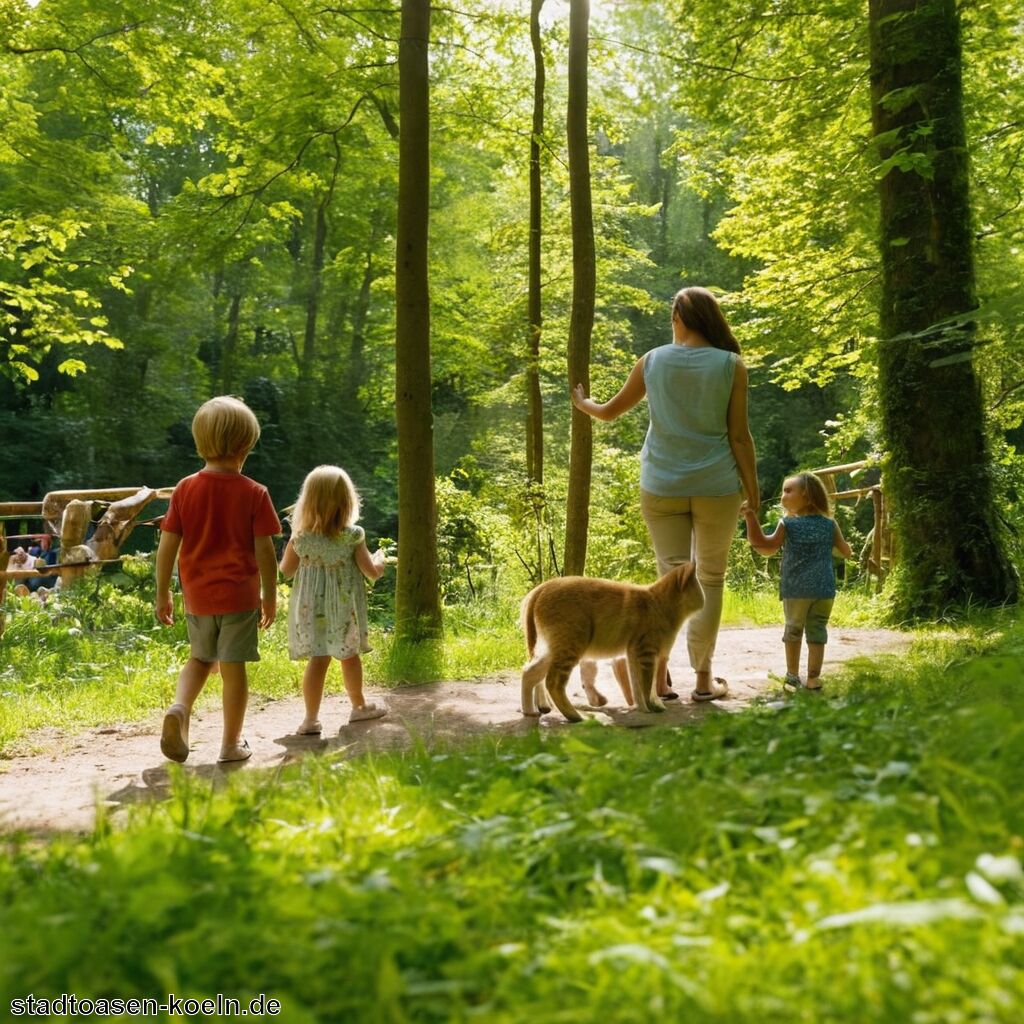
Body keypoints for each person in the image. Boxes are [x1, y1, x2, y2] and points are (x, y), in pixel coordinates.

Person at [571, 286, 760, 702]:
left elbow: (609, 412)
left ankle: (658, 681)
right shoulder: (732, 365)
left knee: (668, 582)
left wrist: (584, 403)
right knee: (709, 578)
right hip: (717, 486)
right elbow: (740, 437)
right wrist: (753, 489)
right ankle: (703, 680)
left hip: (661, 484)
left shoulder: (652, 360)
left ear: (678, 317)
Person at [155, 396, 281, 764]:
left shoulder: (184, 488)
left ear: (200, 443)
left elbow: (167, 547)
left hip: (197, 595)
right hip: (238, 596)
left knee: (199, 658)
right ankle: (230, 745)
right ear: (245, 447)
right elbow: (265, 554)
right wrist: (269, 595)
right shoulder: (255, 493)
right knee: (232, 669)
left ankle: (180, 708)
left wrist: (163, 592)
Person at [278, 465, 389, 734]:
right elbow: (370, 572)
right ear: (346, 501)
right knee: (349, 657)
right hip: (342, 611)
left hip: (310, 611)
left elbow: (285, 573)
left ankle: (310, 720)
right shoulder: (352, 536)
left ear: (308, 501)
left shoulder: (300, 538)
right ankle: (359, 707)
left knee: (319, 660)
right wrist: (381, 561)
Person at [741, 472, 853, 690]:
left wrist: (750, 517)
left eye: (788, 490)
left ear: (807, 495)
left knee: (793, 630)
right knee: (818, 630)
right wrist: (844, 548)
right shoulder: (830, 524)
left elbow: (765, 546)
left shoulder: (788, 524)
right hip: (824, 588)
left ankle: (792, 675)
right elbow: (846, 552)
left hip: (797, 589)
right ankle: (813, 678)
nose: (782, 496)